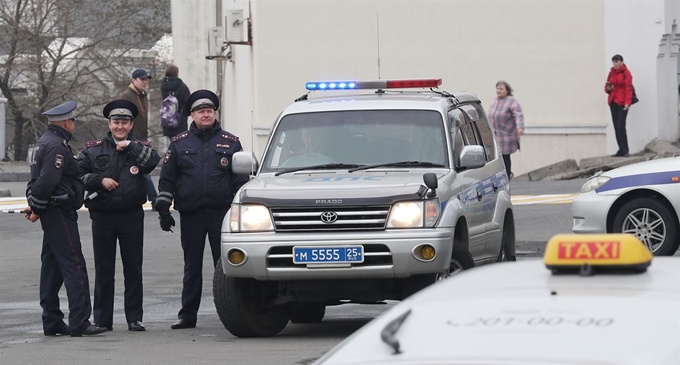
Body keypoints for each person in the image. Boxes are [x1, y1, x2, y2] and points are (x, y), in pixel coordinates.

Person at [155, 90, 250, 329]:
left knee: (228, 266)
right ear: (192, 115)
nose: (206, 115)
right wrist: (163, 208)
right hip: (192, 214)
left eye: (209, 111)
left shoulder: (231, 142)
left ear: (214, 113)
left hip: (222, 215)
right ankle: (187, 315)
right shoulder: (179, 143)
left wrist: (242, 211)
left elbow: (241, 180)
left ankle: (238, 311)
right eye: (201, 111)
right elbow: (167, 179)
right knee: (192, 266)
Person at [23, 101, 107, 337]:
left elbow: (35, 181)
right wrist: (37, 207)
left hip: (50, 210)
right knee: (74, 264)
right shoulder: (58, 147)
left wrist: (35, 205)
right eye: (73, 121)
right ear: (67, 122)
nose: (74, 124)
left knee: (52, 267)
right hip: (59, 211)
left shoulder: (43, 143)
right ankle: (80, 320)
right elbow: (47, 181)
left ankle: (51, 320)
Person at [77, 99, 161, 332]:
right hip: (103, 216)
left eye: (124, 122)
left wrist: (130, 147)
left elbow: (153, 162)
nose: (120, 127)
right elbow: (78, 174)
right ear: (109, 123)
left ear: (131, 125)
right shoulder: (93, 149)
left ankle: (134, 317)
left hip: (131, 215)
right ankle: (103, 319)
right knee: (104, 269)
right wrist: (99, 180)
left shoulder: (141, 147)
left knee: (133, 267)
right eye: (116, 122)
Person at [118, 68, 158, 208]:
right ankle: (154, 199)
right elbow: (123, 118)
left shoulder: (142, 95)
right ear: (134, 80)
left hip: (141, 137)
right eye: (142, 79)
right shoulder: (127, 95)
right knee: (141, 169)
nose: (145, 82)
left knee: (141, 169)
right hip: (131, 138)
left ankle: (153, 199)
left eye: (146, 79)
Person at [488, 80, 525, 180]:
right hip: (496, 134)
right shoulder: (495, 100)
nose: (499, 91)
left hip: (506, 134)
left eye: (501, 89)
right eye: (497, 88)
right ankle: (499, 176)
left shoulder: (511, 101)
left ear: (507, 91)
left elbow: (518, 115)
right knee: (496, 157)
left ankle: (507, 176)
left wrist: (520, 127)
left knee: (505, 156)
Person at [605, 54, 634, 157]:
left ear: (622, 62)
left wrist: (627, 102)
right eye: (614, 62)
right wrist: (609, 88)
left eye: (617, 61)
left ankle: (625, 150)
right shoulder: (611, 73)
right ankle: (621, 149)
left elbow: (628, 88)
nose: (615, 64)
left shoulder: (626, 73)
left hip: (622, 102)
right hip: (613, 101)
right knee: (616, 126)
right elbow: (606, 88)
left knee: (621, 126)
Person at [160, 64, 191, 139]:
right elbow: (188, 103)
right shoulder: (182, 86)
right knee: (181, 145)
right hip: (180, 122)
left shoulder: (163, 86)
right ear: (177, 73)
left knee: (172, 145)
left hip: (167, 121)